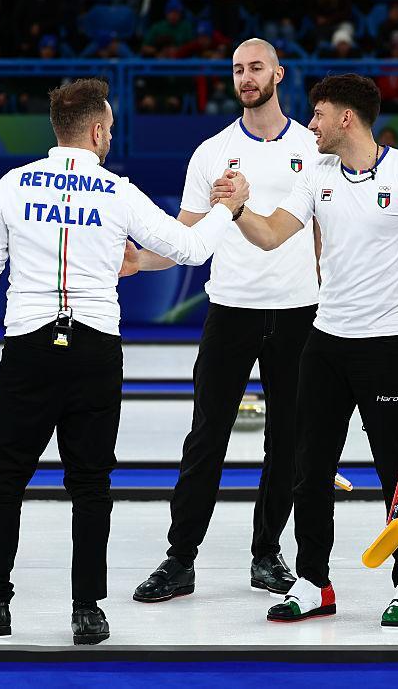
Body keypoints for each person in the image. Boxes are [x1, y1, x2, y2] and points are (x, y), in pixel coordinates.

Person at [0, 78, 248, 644]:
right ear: (93, 131)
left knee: (4, 479)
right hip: (93, 351)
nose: (111, 136)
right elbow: (188, 249)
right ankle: (87, 610)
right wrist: (226, 209)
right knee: (90, 483)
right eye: (109, 129)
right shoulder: (116, 191)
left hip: (29, 348)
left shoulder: (11, 186)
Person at [212, 73, 398, 627]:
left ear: (346, 117)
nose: (312, 125)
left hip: (388, 345)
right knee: (310, 467)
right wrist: (237, 209)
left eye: (319, 114)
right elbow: (274, 233)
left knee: (396, 468)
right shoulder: (315, 173)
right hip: (325, 342)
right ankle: (314, 581)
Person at [124, 38, 321, 604]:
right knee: (206, 437)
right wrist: (137, 260)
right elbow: (185, 237)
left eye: (256, 67)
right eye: (237, 69)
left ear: (279, 73)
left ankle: (267, 555)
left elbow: (327, 232)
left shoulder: (313, 147)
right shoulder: (211, 152)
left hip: (298, 313)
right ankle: (179, 559)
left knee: (287, 443)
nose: (246, 76)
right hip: (230, 309)